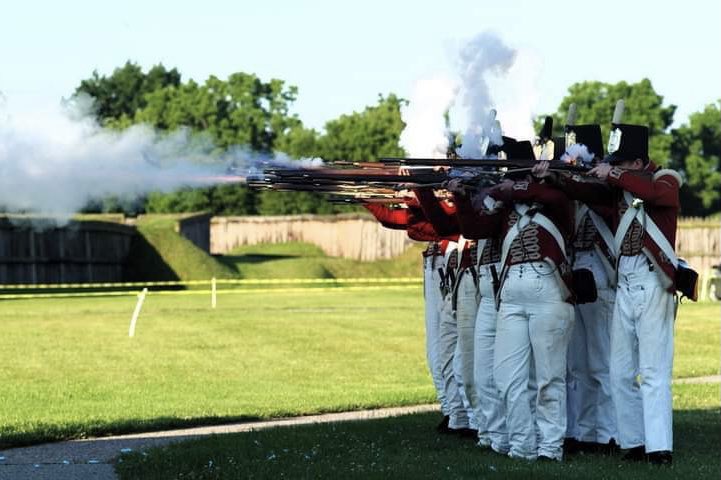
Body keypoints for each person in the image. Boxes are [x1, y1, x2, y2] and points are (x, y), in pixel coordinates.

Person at [537, 123, 681, 465]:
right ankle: (632, 442)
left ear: (637, 162)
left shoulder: (666, 179)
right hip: (626, 282)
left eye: (622, 162)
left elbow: (660, 196)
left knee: (653, 370)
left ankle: (658, 447)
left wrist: (612, 172)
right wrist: (557, 178)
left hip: (652, 281)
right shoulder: (620, 189)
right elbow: (586, 194)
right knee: (619, 369)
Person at [449, 168, 576, 461]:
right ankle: (522, 445)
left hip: (549, 288)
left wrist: (508, 188)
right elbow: (473, 230)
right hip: (510, 294)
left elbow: (547, 194)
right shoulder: (504, 207)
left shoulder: (557, 201)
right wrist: (460, 197)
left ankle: (550, 447)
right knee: (507, 377)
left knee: (548, 377)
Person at [559, 125, 619, 455]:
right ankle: (583, 431)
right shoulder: (579, 192)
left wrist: (571, 180)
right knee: (577, 366)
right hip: (578, 279)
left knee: (602, 364)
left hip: (602, 281)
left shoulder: (604, 188)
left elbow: (594, 195)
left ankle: (608, 432)